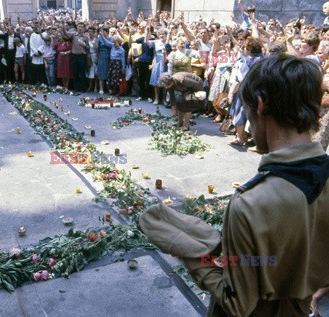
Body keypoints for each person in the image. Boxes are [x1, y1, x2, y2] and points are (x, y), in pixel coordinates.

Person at [141, 55, 329, 316]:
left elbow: (236, 303)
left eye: (247, 110)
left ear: (260, 106)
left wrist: (192, 253)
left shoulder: (251, 203)